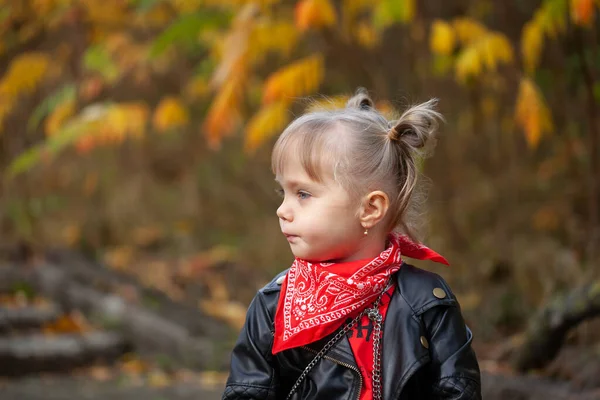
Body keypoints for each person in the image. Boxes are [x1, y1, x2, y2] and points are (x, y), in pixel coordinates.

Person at [222, 88, 481, 400]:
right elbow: (247, 393)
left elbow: (457, 391)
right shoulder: (273, 305)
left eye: (303, 194)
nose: (282, 210)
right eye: (284, 193)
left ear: (370, 209)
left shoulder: (426, 302)